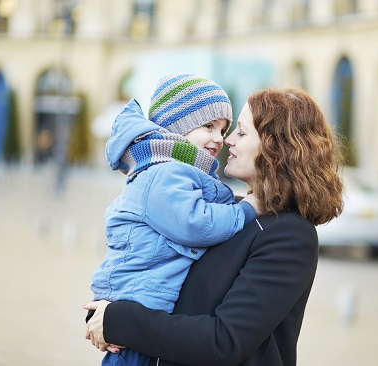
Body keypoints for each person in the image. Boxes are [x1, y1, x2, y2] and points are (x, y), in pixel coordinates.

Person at [85, 87, 344, 366]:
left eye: (241, 132)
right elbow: (147, 269)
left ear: (275, 147)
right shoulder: (218, 212)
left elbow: (225, 341)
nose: (227, 141)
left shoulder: (291, 235)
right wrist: (104, 311)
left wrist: (119, 319)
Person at [90, 73, 259, 366]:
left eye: (224, 129)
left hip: (143, 309)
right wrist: (246, 210)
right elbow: (195, 224)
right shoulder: (166, 173)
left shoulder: (179, 171)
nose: (219, 139)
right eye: (209, 126)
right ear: (177, 126)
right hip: (137, 310)